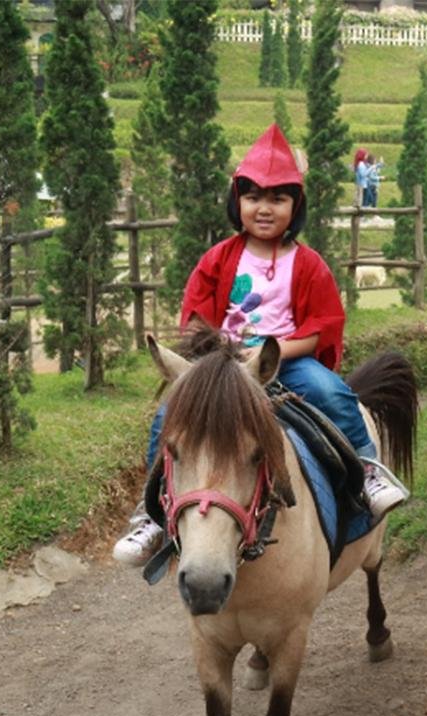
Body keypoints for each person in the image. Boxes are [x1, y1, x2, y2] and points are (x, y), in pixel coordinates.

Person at [113, 124, 409, 566]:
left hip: (284, 362)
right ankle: (152, 514)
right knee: (167, 415)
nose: (264, 209)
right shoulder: (218, 259)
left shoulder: (308, 265)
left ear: (296, 205)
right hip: (223, 367)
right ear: (238, 202)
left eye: (278, 199)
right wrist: (220, 359)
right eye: (253, 198)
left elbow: (319, 330)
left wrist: (271, 354)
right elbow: (197, 323)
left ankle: (367, 472)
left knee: (333, 393)